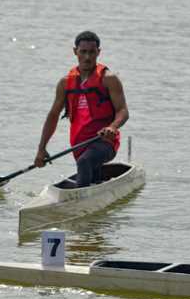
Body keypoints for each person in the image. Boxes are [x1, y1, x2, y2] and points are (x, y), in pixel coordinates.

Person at [34, 31, 129, 187]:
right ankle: (97, 187)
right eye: (83, 52)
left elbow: (123, 111)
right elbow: (53, 116)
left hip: (105, 141)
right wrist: (41, 149)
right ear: (75, 52)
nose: (87, 57)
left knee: (86, 161)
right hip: (78, 144)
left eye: (92, 52)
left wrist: (112, 127)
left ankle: (78, 203)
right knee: (90, 170)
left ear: (98, 52)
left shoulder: (109, 79)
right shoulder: (65, 83)